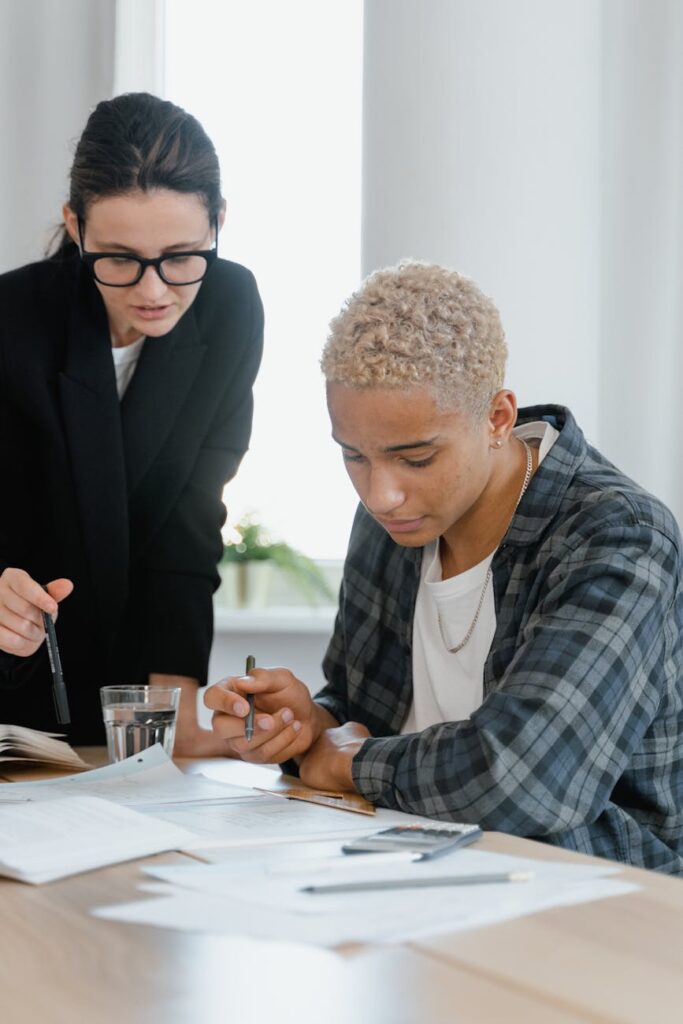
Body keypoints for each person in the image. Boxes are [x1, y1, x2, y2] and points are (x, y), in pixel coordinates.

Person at [205, 261, 683, 874]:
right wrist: (306, 726)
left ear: (497, 419)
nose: (380, 495)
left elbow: (525, 778)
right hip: (408, 869)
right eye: (353, 456)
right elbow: (364, 718)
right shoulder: (394, 522)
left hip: (595, 899)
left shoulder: (617, 536)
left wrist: (349, 763)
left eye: (417, 458)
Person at [0, 92, 263, 753]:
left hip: (128, 695)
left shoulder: (230, 307)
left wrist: (169, 727)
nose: (153, 291)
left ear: (218, 223)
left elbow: (191, 517)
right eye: (117, 258)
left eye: (180, 256)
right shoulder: (12, 321)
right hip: (18, 681)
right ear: (75, 225)